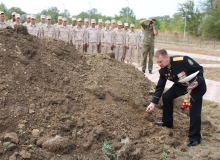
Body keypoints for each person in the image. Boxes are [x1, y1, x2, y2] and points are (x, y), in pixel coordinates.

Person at [146, 49, 207, 147]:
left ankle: (195, 138)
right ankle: (167, 122)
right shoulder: (162, 69)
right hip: (182, 85)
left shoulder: (183, 60)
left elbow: (200, 69)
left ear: (167, 57)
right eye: (157, 62)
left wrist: (197, 82)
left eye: (160, 61)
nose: (159, 64)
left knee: (194, 109)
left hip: (196, 86)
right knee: (166, 96)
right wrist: (153, 103)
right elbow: (160, 86)